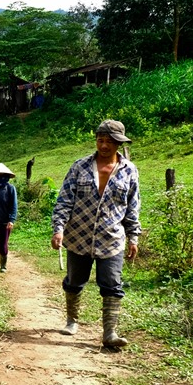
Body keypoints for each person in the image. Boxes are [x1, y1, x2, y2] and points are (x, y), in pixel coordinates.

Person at [51, 119, 141, 348]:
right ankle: (71, 319)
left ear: (118, 144)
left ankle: (109, 333)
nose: (103, 146)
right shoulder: (79, 167)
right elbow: (64, 200)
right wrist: (58, 229)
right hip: (78, 236)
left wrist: (133, 237)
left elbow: (132, 207)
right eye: (100, 140)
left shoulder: (129, 171)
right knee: (74, 282)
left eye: (109, 142)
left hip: (111, 239)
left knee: (111, 284)